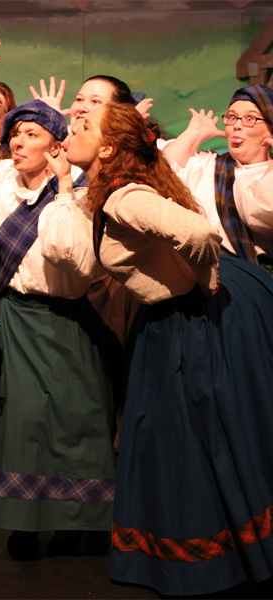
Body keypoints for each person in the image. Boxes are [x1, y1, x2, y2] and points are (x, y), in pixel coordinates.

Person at [66, 101, 273, 596]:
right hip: (204, 309)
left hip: (199, 313)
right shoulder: (124, 190)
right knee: (214, 429)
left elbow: (200, 234)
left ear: (110, 147)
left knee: (192, 433)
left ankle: (207, 558)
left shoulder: (121, 197)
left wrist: (202, 279)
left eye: (83, 125)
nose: (70, 128)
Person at [0, 100, 114, 559]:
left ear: (56, 145)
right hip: (12, 319)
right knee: (22, 422)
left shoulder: (81, 192)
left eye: (32, 134)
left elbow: (76, 258)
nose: (18, 141)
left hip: (65, 321)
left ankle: (75, 518)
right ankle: (25, 521)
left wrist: (66, 186)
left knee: (75, 420)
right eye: (16, 133)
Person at [163, 85, 273, 271]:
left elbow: (260, 212)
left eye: (250, 118)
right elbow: (164, 172)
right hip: (198, 271)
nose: (237, 125)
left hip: (253, 275)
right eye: (231, 117)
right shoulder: (210, 163)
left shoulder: (267, 173)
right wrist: (195, 132)